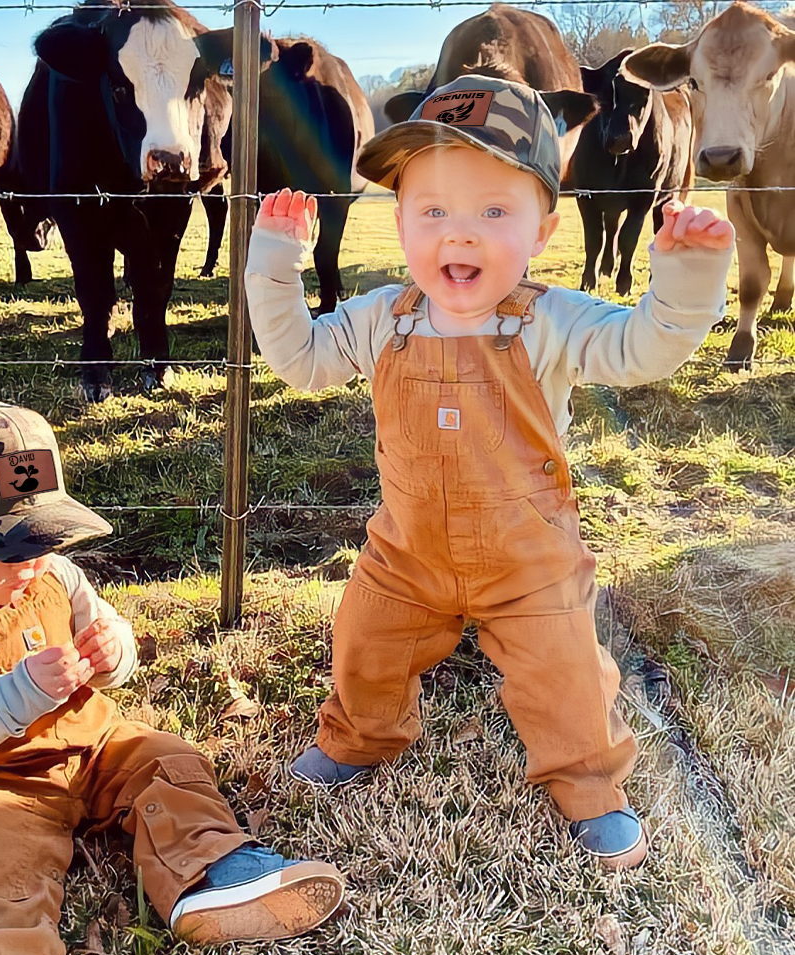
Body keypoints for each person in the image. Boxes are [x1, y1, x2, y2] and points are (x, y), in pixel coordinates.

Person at [245, 75, 734, 869]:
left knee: (567, 675)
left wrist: (686, 278)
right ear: (399, 219)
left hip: (529, 561)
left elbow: (644, 351)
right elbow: (300, 360)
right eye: (432, 211)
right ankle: (362, 737)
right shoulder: (382, 316)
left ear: (543, 227)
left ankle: (587, 784)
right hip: (407, 553)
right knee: (364, 644)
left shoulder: (552, 318)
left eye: (493, 213)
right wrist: (274, 263)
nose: (458, 236)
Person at [0, 398, 345, 955]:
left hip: (92, 748)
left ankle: (212, 871)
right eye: (5, 546)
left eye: (41, 537)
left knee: (165, 759)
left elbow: (114, 648)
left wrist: (111, 653)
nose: (30, 560)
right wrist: (20, 693)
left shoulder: (56, 577)